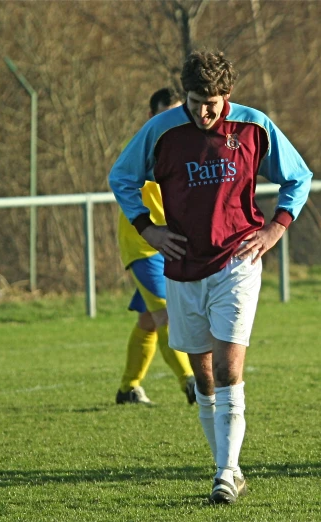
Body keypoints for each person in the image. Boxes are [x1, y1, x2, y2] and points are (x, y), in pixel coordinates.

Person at [109, 50, 312, 505]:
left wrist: (276, 227)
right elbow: (121, 177)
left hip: (236, 261)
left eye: (214, 103)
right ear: (185, 93)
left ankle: (226, 472)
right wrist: (147, 227)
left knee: (227, 366)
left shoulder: (253, 126)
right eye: (197, 100)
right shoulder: (161, 130)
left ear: (229, 96)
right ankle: (225, 465)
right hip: (182, 265)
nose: (205, 112)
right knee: (203, 376)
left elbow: (298, 177)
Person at [115, 87, 196, 406]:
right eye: (165, 113)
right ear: (151, 117)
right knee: (167, 316)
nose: (172, 121)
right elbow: (122, 182)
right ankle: (191, 384)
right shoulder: (142, 147)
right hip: (145, 246)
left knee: (148, 321)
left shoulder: (186, 146)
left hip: (173, 246)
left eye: (178, 113)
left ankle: (128, 388)